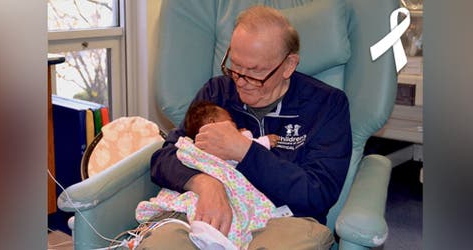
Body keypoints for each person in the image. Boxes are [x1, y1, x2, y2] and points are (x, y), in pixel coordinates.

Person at [139, 5, 352, 249]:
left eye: (255, 72)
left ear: (289, 65)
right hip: (208, 213)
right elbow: (165, 158)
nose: (241, 81)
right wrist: (205, 184)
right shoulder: (217, 92)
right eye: (235, 66)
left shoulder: (327, 105)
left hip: (285, 221)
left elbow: (317, 194)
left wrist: (244, 151)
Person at [184, 100, 280, 151]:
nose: (235, 124)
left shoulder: (200, 147)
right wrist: (265, 141)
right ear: (212, 123)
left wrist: (244, 134)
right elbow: (246, 148)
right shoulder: (219, 144)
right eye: (230, 120)